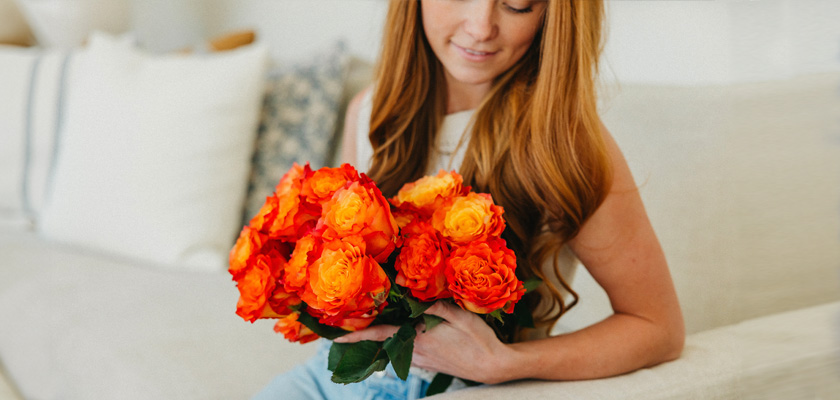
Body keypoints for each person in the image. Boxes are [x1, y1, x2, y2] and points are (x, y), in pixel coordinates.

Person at [255, 0, 684, 398]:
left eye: (517, 4)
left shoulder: (565, 146)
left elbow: (658, 327)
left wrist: (505, 363)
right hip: (333, 381)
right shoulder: (369, 109)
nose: (482, 28)